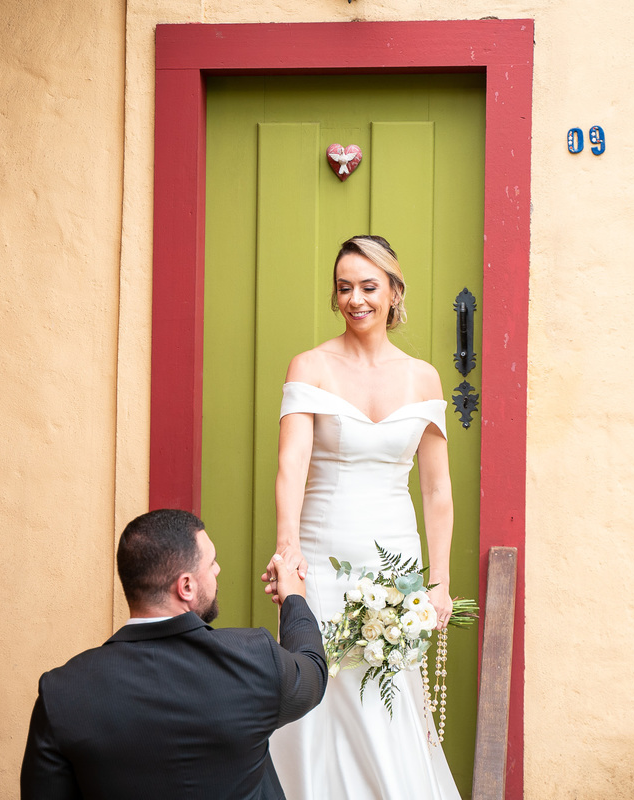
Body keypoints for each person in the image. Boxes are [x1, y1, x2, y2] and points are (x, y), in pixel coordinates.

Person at [266, 235, 460, 799]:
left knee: (387, 693)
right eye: (345, 288)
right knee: (321, 690)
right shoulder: (310, 366)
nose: (356, 299)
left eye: (369, 287)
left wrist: (440, 582)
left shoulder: (422, 378)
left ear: (394, 292)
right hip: (323, 558)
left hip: (395, 562)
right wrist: (288, 553)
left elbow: (437, 486)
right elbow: (291, 467)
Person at [20, 508, 327, 800]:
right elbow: (312, 669)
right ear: (186, 587)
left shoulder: (61, 692)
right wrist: (294, 599)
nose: (218, 569)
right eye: (212, 563)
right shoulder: (253, 660)